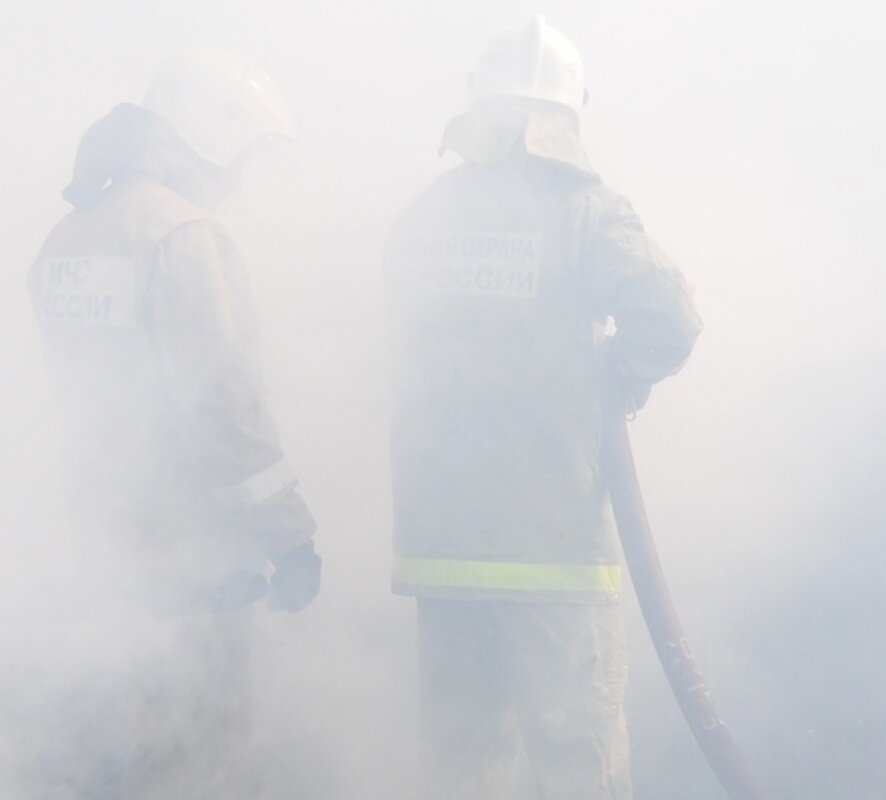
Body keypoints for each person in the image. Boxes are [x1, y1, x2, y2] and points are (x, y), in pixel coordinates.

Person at [385, 16, 702, 800]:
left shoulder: (424, 216)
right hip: (552, 543)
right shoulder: (585, 211)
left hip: (441, 545)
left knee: (459, 767)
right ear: (566, 114)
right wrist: (619, 375)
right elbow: (671, 316)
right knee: (577, 762)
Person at [28, 48, 320, 797]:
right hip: (189, 554)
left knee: (97, 756)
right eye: (243, 156)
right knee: (195, 757)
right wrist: (286, 535)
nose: (239, 180)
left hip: (95, 552)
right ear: (208, 137)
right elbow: (224, 405)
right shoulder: (182, 234)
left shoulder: (70, 235)